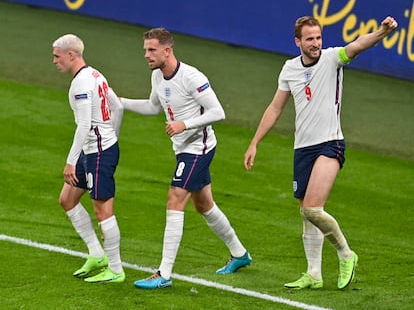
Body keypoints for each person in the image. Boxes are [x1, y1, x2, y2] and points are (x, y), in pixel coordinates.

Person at [244, 16, 398, 290]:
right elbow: (275, 108)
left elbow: (357, 45)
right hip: (302, 148)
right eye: (310, 39)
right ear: (298, 42)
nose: (316, 44)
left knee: (313, 209)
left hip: (330, 143)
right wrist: (255, 142)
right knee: (305, 214)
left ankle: (346, 254)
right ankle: (313, 273)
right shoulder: (289, 68)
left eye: (318, 38)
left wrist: (382, 32)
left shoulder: (332, 59)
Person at [120, 27, 252, 289]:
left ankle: (163, 274)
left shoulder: (192, 77)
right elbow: (152, 106)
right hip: (182, 149)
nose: (146, 55)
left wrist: (185, 124)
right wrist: (120, 101)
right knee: (204, 205)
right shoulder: (158, 76)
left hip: (199, 148)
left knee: (175, 197)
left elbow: (218, 112)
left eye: (151, 50)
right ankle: (240, 254)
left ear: (167, 50)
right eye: (146, 50)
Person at [52, 34, 125, 283]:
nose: (54, 61)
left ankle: (115, 270)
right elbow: (118, 107)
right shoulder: (96, 75)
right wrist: (112, 136)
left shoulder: (82, 83)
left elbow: (84, 124)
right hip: (95, 149)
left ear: (71, 55)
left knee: (103, 210)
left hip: (97, 153)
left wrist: (71, 160)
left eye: (57, 56)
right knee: (67, 199)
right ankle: (97, 254)